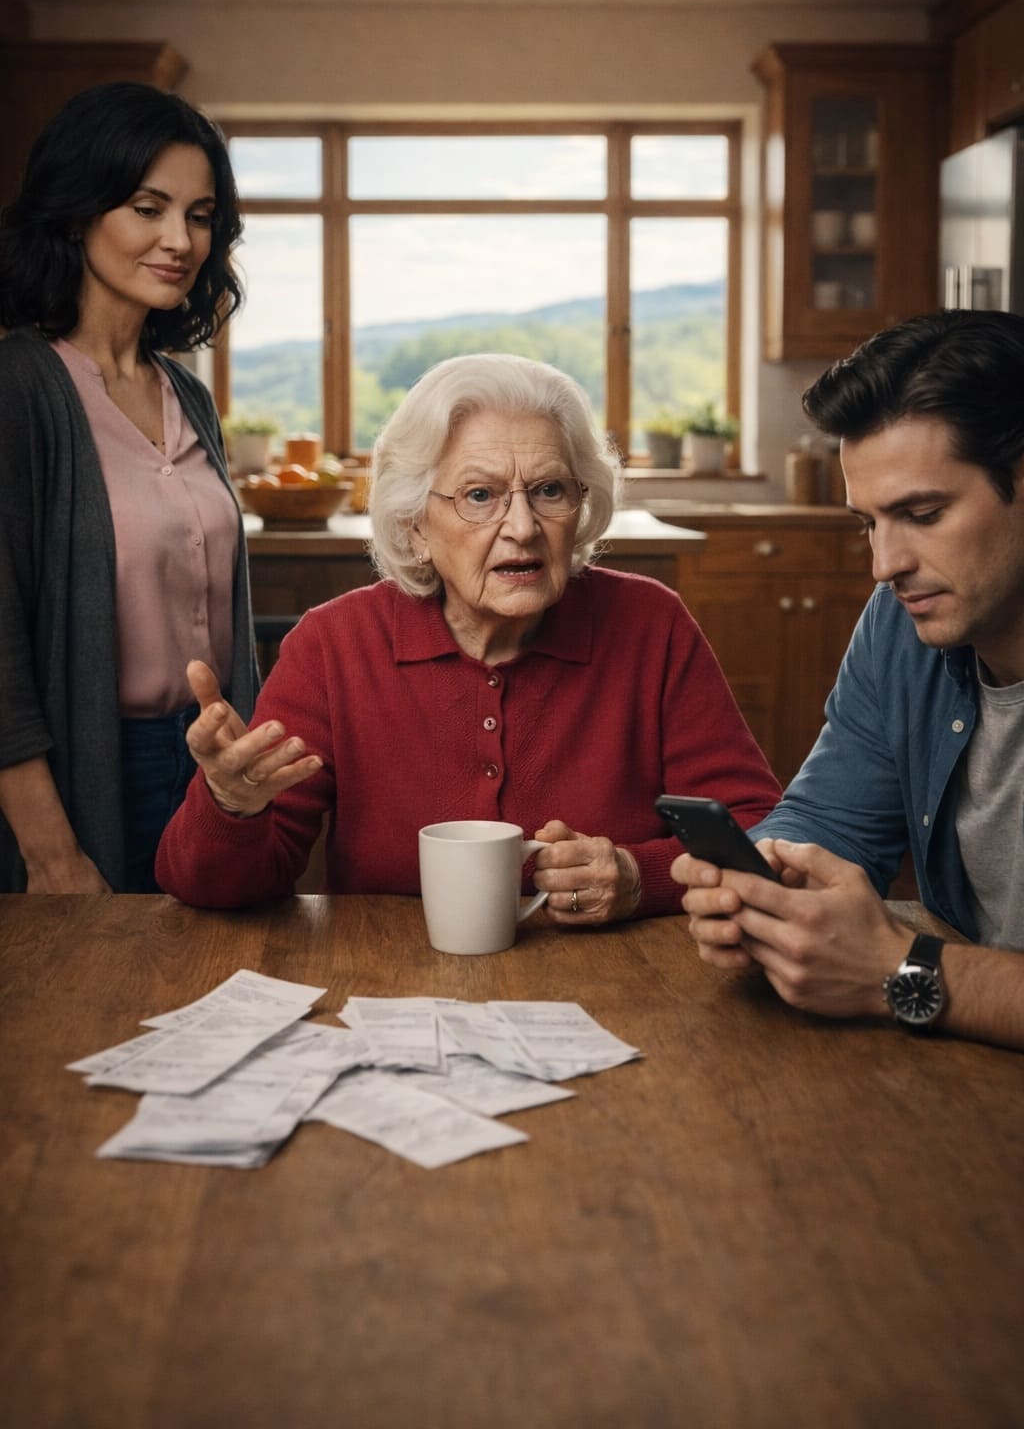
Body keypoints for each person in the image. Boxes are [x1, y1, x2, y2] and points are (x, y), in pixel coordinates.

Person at [156, 353, 780, 913]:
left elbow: (761, 833)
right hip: (391, 986)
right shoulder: (334, 646)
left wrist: (640, 877)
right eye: (480, 495)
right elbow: (216, 887)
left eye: (550, 491)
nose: (523, 527)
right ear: (415, 526)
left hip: (608, 987)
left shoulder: (652, 626)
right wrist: (232, 805)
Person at [676, 309, 1024, 1051]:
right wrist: (766, 885)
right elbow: (832, 820)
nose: (885, 564)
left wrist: (903, 972)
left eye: (922, 514)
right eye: (867, 523)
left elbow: (897, 970)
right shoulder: (903, 623)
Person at [0, 83, 259, 894]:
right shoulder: (18, 389)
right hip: (89, 777)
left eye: (200, 214)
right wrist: (50, 854)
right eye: (148, 208)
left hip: (212, 771)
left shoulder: (189, 397)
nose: (179, 239)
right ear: (78, 212)